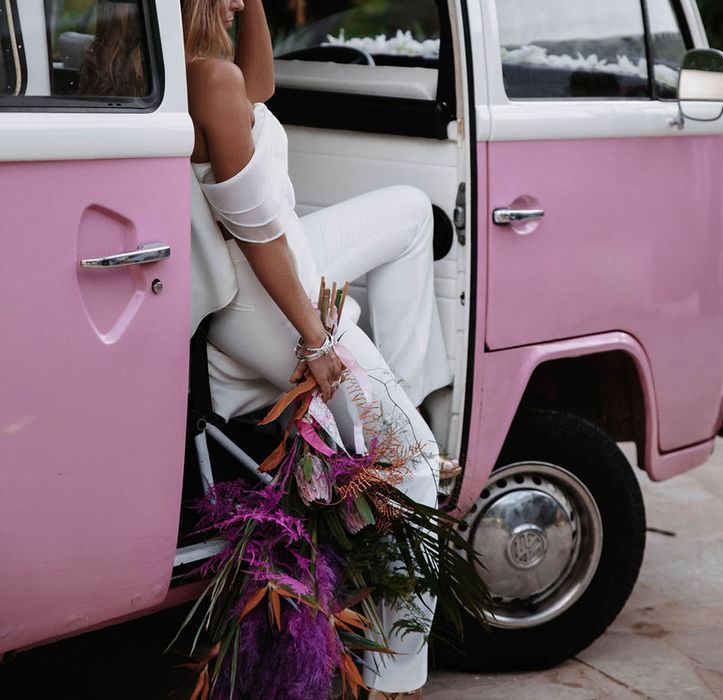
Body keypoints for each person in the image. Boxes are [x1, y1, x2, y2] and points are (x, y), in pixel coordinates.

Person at [181, 1, 453, 697]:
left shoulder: (186, 70)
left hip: (284, 258)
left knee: (410, 214)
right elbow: (259, 237)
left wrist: (252, 9)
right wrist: (316, 338)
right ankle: (396, 677)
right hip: (267, 294)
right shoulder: (207, 76)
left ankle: (400, 405)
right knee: (415, 465)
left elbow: (261, 89)